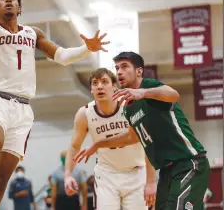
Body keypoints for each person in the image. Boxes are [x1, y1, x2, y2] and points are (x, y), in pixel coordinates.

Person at [0, 0, 110, 210]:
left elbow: (61, 56)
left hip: (23, 109)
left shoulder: (33, 33)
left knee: (0, 179)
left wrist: (87, 48)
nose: (8, 0)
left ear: (19, 8)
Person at [74, 52, 210, 210]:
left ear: (139, 71)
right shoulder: (129, 107)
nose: (119, 72)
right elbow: (131, 137)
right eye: (117, 68)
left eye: (124, 67)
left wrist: (143, 92)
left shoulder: (149, 86)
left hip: (189, 163)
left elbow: (174, 95)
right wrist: (98, 144)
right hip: (167, 171)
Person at [64, 68, 156, 210]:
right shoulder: (84, 114)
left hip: (136, 173)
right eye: (95, 83)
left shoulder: (130, 106)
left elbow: (148, 143)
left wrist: (151, 181)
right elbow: (74, 146)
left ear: (115, 86)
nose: (99, 86)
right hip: (106, 175)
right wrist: (68, 175)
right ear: (91, 90)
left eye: (104, 82)